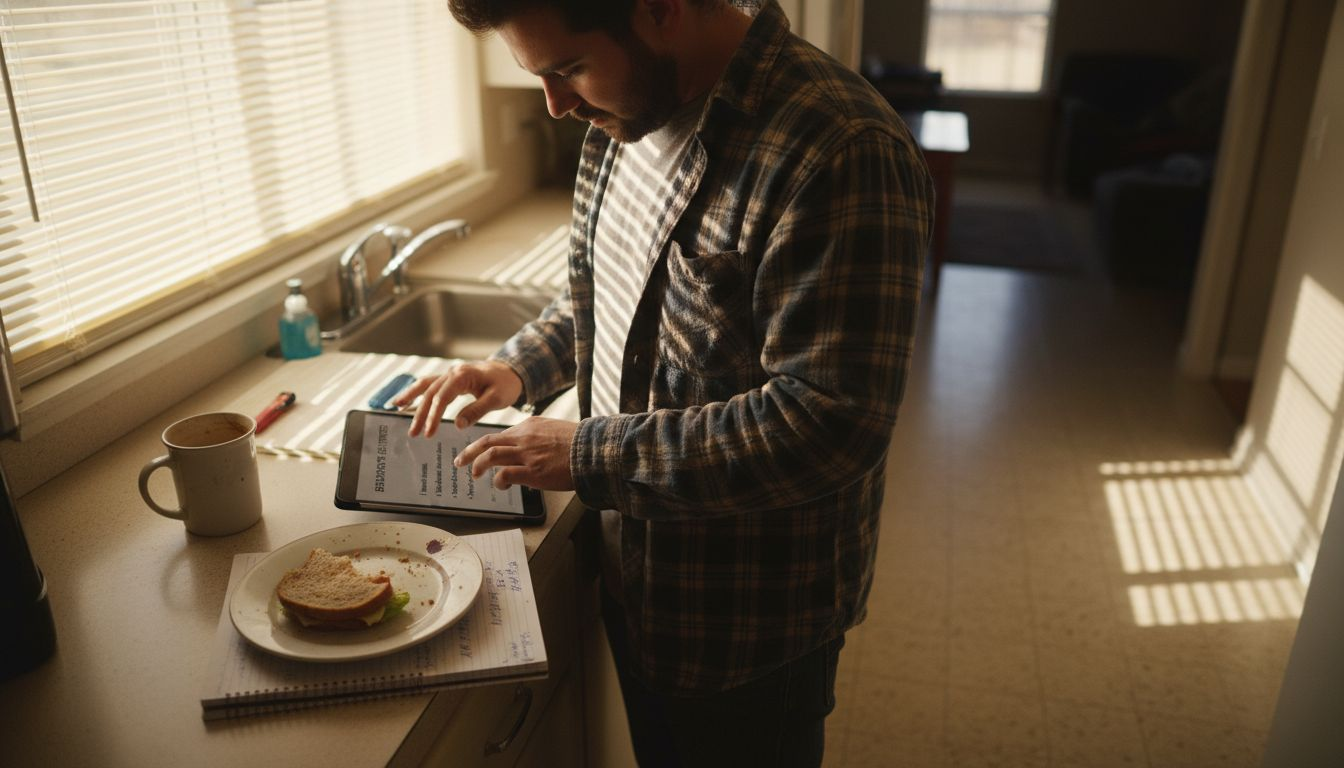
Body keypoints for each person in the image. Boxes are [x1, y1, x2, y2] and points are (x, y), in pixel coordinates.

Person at [394, 1, 932, 765]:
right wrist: (518, 367)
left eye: (568, 68)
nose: (558, 104)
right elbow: (612, 291)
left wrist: (588, 454)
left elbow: (827, 424)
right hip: (637, 570)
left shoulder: (838, 147)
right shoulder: (627, 115)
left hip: (742, 618)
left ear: (661, 9)